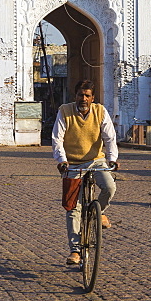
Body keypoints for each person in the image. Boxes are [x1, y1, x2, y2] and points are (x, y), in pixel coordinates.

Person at [52, 79, 119, 267]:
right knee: (73, 207)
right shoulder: (64, 111)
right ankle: (75, 250)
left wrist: (112, 158)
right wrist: (62, 160)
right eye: (80, 95)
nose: (84, 98)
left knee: (109, 187)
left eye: (87, 95)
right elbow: (57, 138)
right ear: (75, 96)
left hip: (96, 160)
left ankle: (100, 212)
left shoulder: (100, 111)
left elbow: (110, 137)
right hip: (72, 164)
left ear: (92, 98)